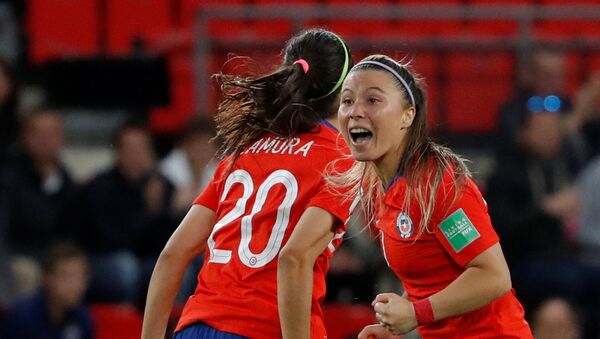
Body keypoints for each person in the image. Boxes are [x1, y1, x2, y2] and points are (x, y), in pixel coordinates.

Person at [142, 28, 355, 339]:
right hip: (266, 328)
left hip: (197, 327)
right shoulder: (341, 160)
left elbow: (172, 255)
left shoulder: (244, 150)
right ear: (346, 91)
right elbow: (293, 258)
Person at [333, 54, 532, 338]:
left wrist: (416, 314)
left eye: (373, 100)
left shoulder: (437, 186)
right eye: (348, 100)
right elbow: (432, 276)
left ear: (407, 115)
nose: (355, 111)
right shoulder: (381, 186)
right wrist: (398, 326)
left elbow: (493, 276)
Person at [1, 241, 93, 339]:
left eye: (81, 276)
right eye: (67, 277)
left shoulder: (82, 318)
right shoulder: (22, 317)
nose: (76, 285)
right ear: (47, 279)